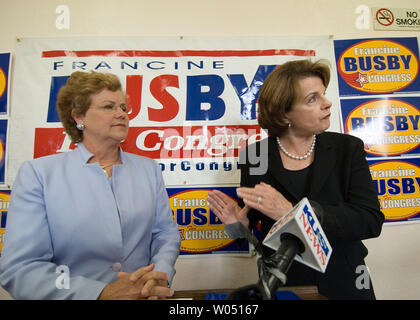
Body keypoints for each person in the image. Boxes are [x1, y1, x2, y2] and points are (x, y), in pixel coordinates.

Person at [208, 59, 385, 300]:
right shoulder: (255, 156)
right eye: (313, 99)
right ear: (283, 113)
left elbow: (370, 221)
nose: (327, 103)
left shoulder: (347, 148)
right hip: (283, 281)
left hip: (346, 277)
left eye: (323, 94)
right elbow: (257, 236)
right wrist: (239, 226)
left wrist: (294, 213)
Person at [0, 71, 181, 300]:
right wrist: (100, 293)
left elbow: (165, 233)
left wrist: (159, 274)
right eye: (109, 107)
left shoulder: (149, 169)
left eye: (124, 108)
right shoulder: (39, 174)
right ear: (78, 117)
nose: (121, 114)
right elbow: (21, 270)